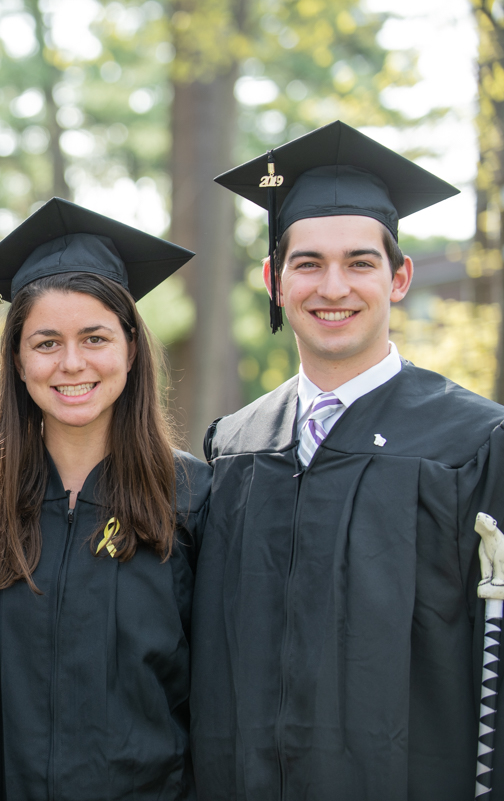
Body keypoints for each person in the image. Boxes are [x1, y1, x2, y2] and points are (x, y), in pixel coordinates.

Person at [191, 120, 504, 800]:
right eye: (308, 263)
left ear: (399, 278)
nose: (333, 286)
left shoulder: (475, 442)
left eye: (360, 262)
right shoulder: (235, 446)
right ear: (275, 281)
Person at [0, 198, 210, 800]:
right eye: (45, 343)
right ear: (14, 358)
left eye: (95, 337)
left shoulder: (194, 500)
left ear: (131, 349)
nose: (71, 364)